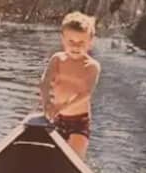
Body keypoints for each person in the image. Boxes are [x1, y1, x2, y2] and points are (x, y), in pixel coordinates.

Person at [39, 11, 101, 158]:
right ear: (63, 39)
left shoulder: (92, 66)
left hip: (79, 121)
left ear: (90, 42)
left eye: (81, 42)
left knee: (73, 160)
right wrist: (47, 102)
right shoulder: (58, 59)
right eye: (71, 41)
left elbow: (85, 94)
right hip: (58, 118)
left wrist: (61, 107)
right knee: (53, 158)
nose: (76, 46)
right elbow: (45, 82)